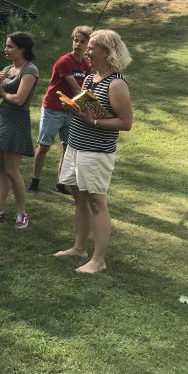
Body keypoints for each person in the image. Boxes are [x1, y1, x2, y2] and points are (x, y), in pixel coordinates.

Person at [54, 29, 133, 274]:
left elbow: (126, 123)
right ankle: (79, 248)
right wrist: (75, 108)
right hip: (76, 146)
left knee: (97, 203)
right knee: (79, 198)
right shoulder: (91, 78)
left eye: (91, 48)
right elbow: (86, 109)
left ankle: (98, 260)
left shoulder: (116, 84)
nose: (86, 52)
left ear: (107, 52)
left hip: (96, 152)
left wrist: (94, 121)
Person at [0, 32, 39, 229]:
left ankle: (22, 213)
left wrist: (3, 92)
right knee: (2, 169)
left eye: (10, 46)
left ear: (22, 49)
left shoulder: (30, 70)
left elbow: (19, 100)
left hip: (17, 120)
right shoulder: (7, 69)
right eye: (6, 45)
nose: (6, 49)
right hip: (3, 118)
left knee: (12, 170)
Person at [28, 26, 93, 194]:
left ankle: (60, 183)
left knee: (68, 147)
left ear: (88, 45)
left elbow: (84, 89)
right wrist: (88, 107)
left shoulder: (86, 65)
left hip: (71, 111)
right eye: (76, 40)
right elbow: (76, 88)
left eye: (82, 42)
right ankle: (34, 181)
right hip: (53, 109)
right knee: (44, 146)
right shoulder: (64, 61)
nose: (78, 44)